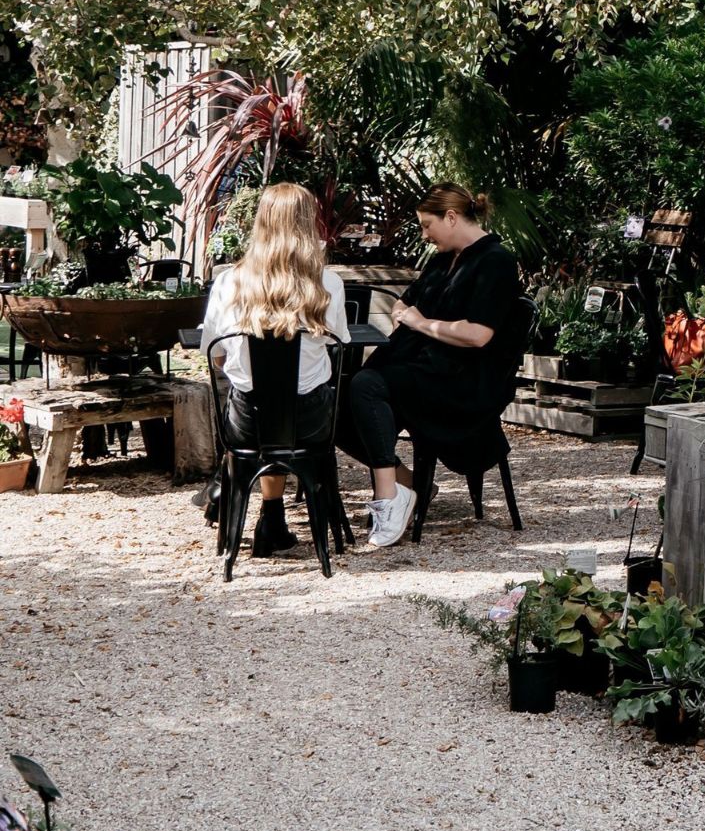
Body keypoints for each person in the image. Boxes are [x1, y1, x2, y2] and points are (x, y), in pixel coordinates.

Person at [335, 184, 522, 549]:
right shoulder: (442, 260)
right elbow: (403, 307)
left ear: (451, 217)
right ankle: (409, 483)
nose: (424, 235)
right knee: (338, 406)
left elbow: (479, 335)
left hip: (464, 381)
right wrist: (413, 318)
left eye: (426, 225)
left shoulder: (495, 262)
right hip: (424, 367)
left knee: (367, 386)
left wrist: (422, 324)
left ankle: (389, 498)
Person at [200, 183, 349, 558]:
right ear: (308, 223)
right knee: (297, 396)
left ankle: (262, 512)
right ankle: (274, 518)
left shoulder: (228, 282)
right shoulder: (328, 283)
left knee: (256, 400)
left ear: (260, 222)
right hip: (310, 421)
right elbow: (336, 343)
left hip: (247, 423)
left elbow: (214, 355)